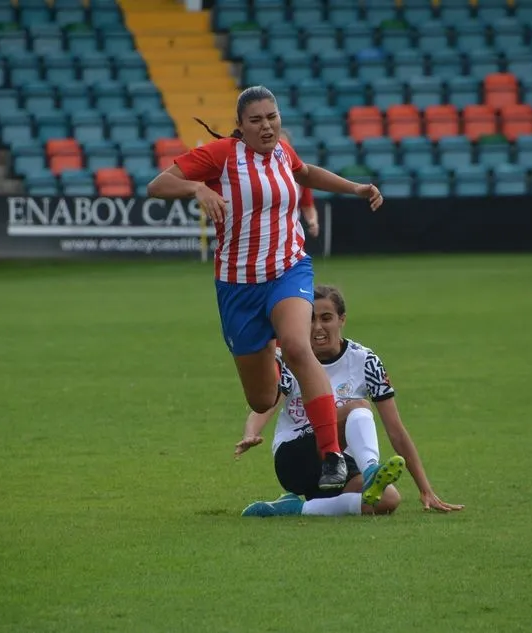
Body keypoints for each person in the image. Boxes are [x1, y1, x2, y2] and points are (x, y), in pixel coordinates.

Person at [147, 86, 384, 491]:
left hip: (288, 269)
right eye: (256, 120)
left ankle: (331, 456)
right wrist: (197, 188)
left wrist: (356, 188)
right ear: (240, 126)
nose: (267, 125)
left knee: (297, 344)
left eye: (272, 117)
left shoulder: (282, 152)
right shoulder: (221, 156)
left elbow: (305, 173)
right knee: (261, 398)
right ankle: (274, 363)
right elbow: (157, 185)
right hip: (238, 286)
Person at [234, 285, 465, 518]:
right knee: (359, 407)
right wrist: (250, 432)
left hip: (336, 463)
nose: (317, 327)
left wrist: (425, 489)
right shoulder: (293, 357)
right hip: (294, 457)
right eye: (310, 319)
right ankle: (371, 469)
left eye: (326, 318)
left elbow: (396, 430)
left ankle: (293, 509)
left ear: (341, 320)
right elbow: (267, 405)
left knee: (388, 500)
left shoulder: (365, 360)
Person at [278, 129, 319, 239]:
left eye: (284, 146)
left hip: (293, 239)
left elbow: (307, 206)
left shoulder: (299, 174)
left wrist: (313, 221)